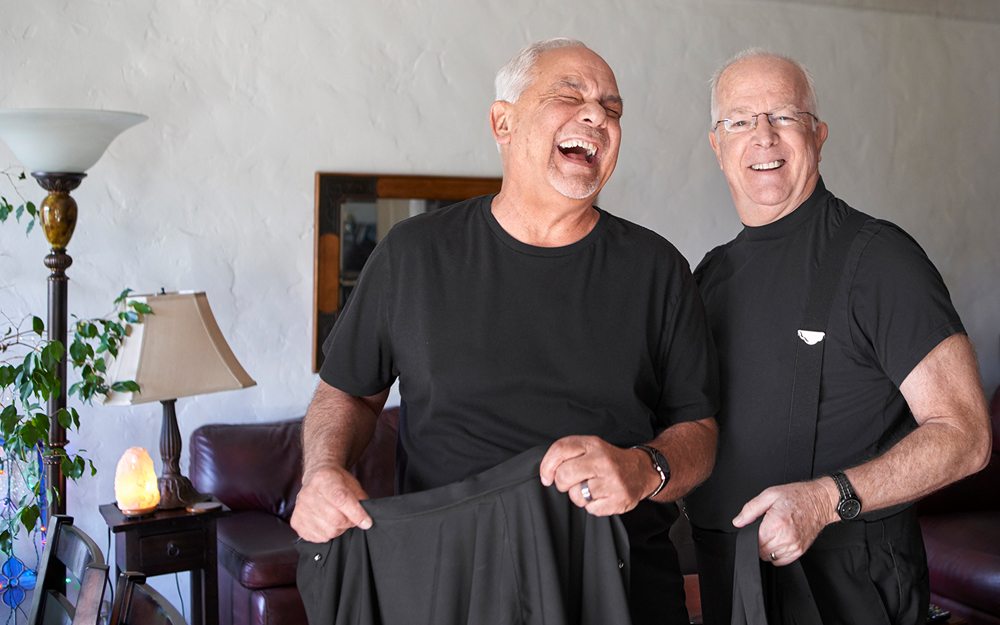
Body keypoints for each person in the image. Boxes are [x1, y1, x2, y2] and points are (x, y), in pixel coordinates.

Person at [290, 38, 719, 624]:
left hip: (616, 586)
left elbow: (698, 432)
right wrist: (321, 473)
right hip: (447, 584)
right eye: (570, 96)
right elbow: (345, 393)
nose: (596, 115)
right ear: (503, 121)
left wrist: (646, 468)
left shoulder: (658, 268)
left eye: (612, 109)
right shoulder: (412, 256)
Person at [686, 48, 993, 625]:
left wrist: (826, 499)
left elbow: (966, 435)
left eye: (784, 116)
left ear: (818, 135)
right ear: (717, 146)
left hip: (851, 589)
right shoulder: (708, 277)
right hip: (734, 585)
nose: (763, 137)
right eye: (741, 120)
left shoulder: (881, 260)